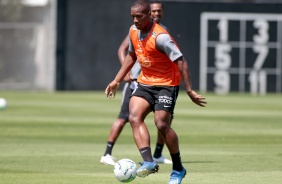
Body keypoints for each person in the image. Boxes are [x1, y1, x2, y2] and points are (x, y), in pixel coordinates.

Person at [105, 1, 206, 184]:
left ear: (149, 15)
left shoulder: (161, 37)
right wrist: (116, 80)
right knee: (133, 117)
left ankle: (178, 168)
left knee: (161, 124)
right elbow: (132, 55)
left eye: (139, 17)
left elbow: (181, 61)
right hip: (145, 82)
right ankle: (149, 162)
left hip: (167, 84)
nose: (135, 20)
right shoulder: (133, 31)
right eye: (133, 17)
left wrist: (189, 90)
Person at [100, 0, 172, 166]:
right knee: (125, 117)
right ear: (148, 12)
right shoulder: (136, 29)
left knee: (164, 121)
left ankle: (157, 154)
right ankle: (107, 153)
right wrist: (125, 73)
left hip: (158, 85)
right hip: (138, 82)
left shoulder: (163, 31)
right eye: (153, 11)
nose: (156, 14)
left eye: (159, 11)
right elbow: (124, 50)